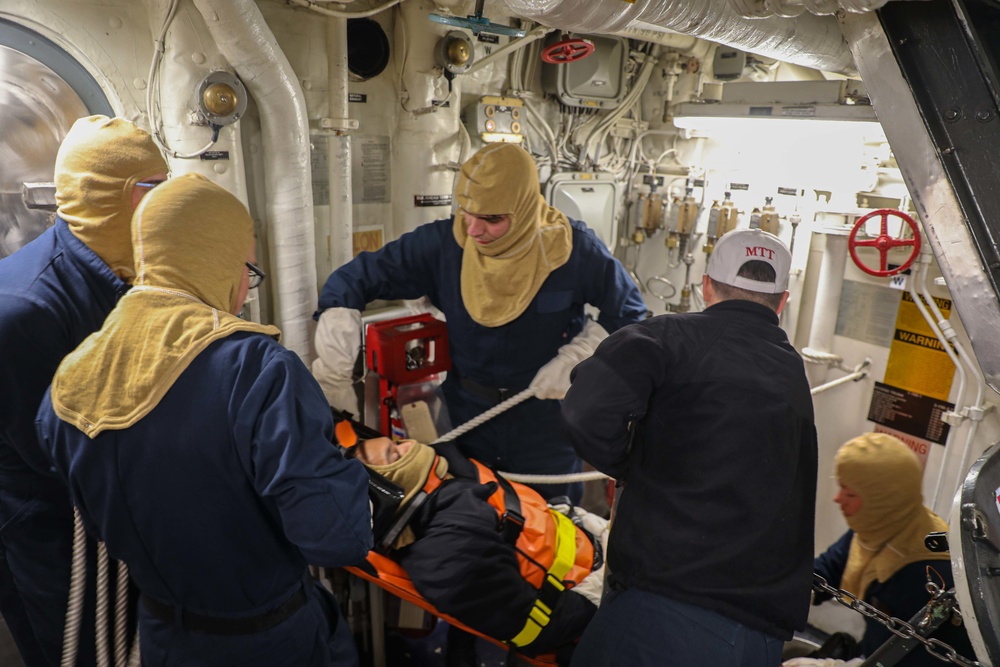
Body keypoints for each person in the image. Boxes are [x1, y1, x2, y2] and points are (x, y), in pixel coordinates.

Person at [35, 173, 373, 666]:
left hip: (164, 638)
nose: (243, 288)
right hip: (273, 642)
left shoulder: (71, 382)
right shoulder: (258, 370)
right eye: (245, 267)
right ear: (217, 260)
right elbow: (335, 538)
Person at [314, 142, 647, 502]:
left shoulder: (571, 248)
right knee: (472, 521)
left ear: (522, 210)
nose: (473, 229)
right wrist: (336, 346)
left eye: (492, 219)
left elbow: (630, 312)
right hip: (467, 419)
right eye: (467, 212)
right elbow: (353, 279)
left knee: (553, 524)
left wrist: (578, 359)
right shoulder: (444, 244)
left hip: (544, 422)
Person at [561, 228, 817, 667]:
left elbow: (585, 409)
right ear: (782, 301)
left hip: (668, 612)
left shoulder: (671, 336)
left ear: (705, 286)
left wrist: (627, 461)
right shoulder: (793, 373)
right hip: (760, 632)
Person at [0, 115, 167, 667]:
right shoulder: (27, 308)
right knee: (77, 649)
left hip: (103, 506)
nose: (166, 203)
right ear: (110, 196)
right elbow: (50, 450)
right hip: (47, 526)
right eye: (154, 189)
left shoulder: (119, 268)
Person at [350, 435, 605, 665]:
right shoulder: (448, 555)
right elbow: (537, 632)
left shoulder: (449, 475)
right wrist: (604, 584)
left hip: (591, 551)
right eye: (394, 454)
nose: (409, 444)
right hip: (590, 613)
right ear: (390, 493)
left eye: (396, 443)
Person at [810, 433, 976, 666]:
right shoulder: (881, 524)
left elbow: (920, 656)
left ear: (880, 500)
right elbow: (831, 566)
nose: (837, 499)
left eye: (849, 494)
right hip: (875, 650)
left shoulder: (925, 571)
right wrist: (804, 591)